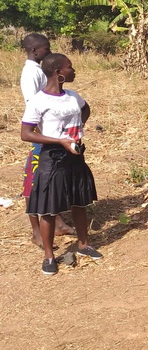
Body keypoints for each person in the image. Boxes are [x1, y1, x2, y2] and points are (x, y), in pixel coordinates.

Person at [21, 53, 102, 275]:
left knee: (79, 201)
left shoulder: (73, 96)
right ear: (58, 73)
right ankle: (48, 256)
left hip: (75, 155)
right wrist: (60, 140)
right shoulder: (39, 101)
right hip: (52, 158)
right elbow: (26, 133)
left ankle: (84, 244)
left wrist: (77, 130)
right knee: (48, 207)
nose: (73, 70)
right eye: (70, 67)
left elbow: (86, 108)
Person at [19, 34, 75, 245]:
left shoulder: (39, 71)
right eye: (46, 49)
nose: (49, 52)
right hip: (40, 134)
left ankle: (57, 222)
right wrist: (43, 135)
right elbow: (34, 106)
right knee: (35, 180)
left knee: (50, 179)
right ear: (34, 50)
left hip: (49, 134)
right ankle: (36, 231)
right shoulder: (30, 74)